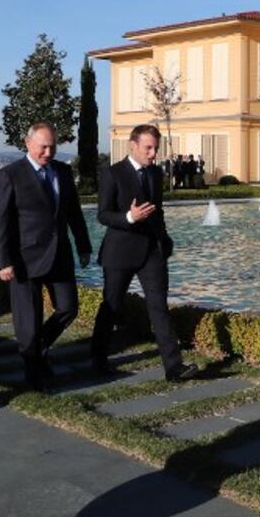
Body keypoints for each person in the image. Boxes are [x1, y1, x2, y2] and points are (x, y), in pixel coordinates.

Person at [92, 124, 199, 381]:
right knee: (111, 307)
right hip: (120, 252)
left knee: (159, 308)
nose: (153, 154)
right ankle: (98, 360)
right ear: (133, 145)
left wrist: (164, 239)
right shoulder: (112, 173)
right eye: (148, 148)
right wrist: (130, 216)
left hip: (152, 252)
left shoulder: (154, 174)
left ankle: (174, 367)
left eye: (156, 148)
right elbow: (103, 214)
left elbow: (157, 211)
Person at [0, 122, 92, 392]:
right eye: (43, 147)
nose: (48, 152)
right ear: (28, 144)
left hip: (60, 256)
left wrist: (83, 245)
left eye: (53, 146)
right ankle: (34, 372)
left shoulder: (63, 171)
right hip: (25, 259)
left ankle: (38, 348)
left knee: (69, 308)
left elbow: (73, 212)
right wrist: (3, 262)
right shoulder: (10, 175)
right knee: (28, 322)